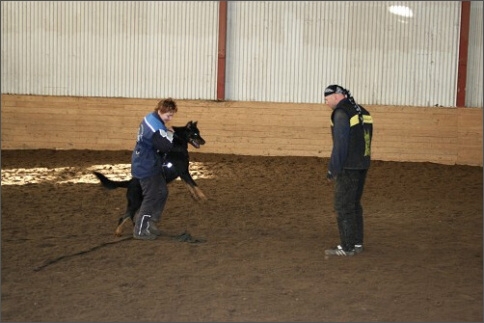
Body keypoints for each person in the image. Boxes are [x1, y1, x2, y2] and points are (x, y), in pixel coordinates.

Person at [323, 84, 373, 256]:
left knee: (342, 206)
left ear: (337, 96)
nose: (326, 102)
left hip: (348, 166)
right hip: (362, 164)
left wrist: (333, 169)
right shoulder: (363, 112)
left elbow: (341, 144)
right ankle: (357, 243)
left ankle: (347, 246)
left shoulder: (342, 113)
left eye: (326, 98)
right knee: (354, 205)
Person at [131, 98, 178, 240]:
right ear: (161, 111)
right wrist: (170, 134)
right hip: (146, 165)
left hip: (147, 162)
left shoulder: (150, 117)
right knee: (151, 197)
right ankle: (140, 229)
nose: (170, 119)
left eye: (171, 115)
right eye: (168, 115)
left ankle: (150, 223)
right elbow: (166, 147)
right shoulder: (156, 127)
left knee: (162, 191)